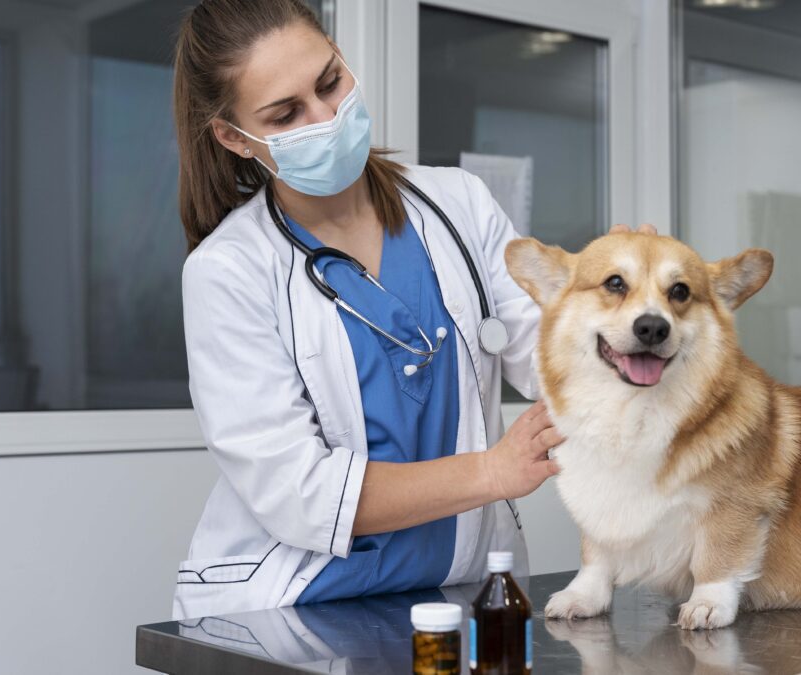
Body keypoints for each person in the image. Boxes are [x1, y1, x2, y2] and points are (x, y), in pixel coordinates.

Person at [171, 0, 563, 620]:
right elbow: (299, 492)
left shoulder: (457, 205)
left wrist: (618, 311)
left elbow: (551, 357)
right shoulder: (230, 271)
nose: (327, 118)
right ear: (232, 137)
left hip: (449, 595)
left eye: (330, 82)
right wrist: (492, 472)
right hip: (299, 606)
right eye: (286, 114)